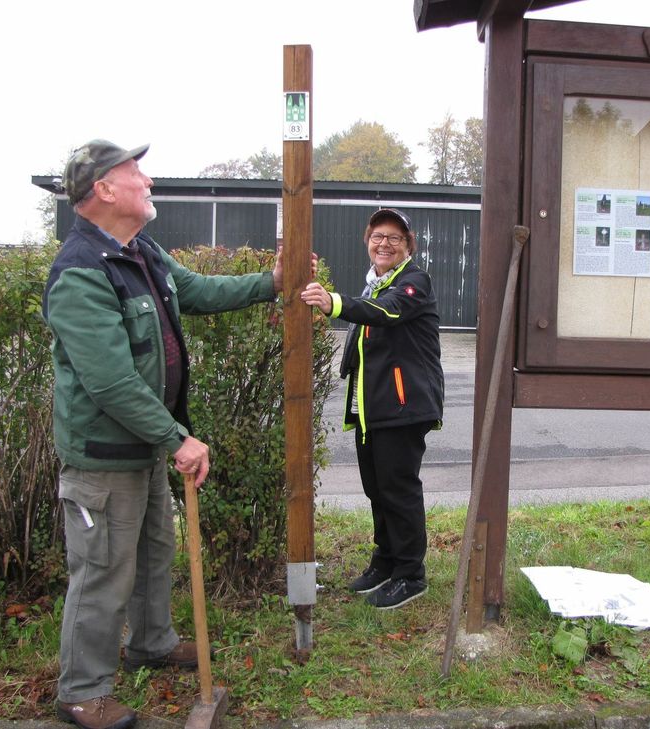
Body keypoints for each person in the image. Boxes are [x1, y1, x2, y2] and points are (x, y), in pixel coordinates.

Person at [43, 139, 316, 729]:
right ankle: (82, 691)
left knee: (152, 553)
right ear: (103, 190)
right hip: (104, 456)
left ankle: (151, 642)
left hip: (140, 447)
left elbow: (194, 291)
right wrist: (176, 438)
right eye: (134, 172)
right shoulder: (81, 273)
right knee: (101, 571)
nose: (147, 180)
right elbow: (111, 382)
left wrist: (270, 282)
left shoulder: (138, 251)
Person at [300, 208, 443, 610]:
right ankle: (386, 561)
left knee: (399, 490)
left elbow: (387, 313)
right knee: (377, 489)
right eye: (378, 236)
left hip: (403, 406)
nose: (385, 244)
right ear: (368, 242)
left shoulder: (413, 282)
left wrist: (333, 302)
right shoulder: (374, 285)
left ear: (408, 246)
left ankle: (411, 574)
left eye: (395, 238)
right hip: (372, 407)